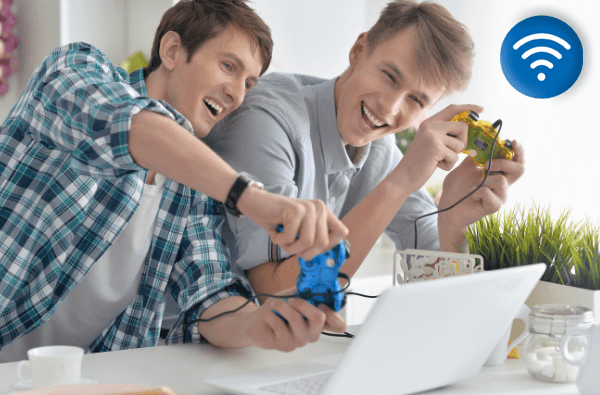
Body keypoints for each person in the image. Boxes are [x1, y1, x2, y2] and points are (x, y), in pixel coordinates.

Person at [0, 0, 348, 363]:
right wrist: (251, 198)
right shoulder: (74, 70)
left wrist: (259, 321)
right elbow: (126, 122)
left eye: (248, 82)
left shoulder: (194, 188)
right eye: (228, 66)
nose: (237, 94)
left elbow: (209, 294)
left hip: (67, 380)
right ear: (171, 51)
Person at [203, 0, 526, 298]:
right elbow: (275, 294)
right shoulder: (265, 120)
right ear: (359, 51)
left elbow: (439, 288)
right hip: (186, 345)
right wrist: (399, 184)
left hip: (280, 349)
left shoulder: (381, 151)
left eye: (416, 99)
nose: (389, 108)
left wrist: (453, 219)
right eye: (389, 76)